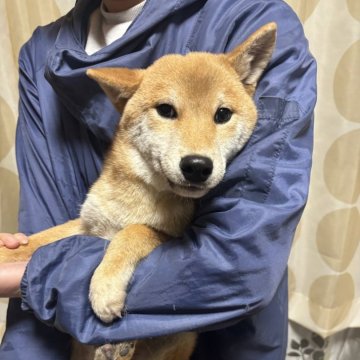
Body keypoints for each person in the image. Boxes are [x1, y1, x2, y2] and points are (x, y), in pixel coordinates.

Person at [0, 0, 317, 359]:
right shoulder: (42, 52)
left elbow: (242, 262)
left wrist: (37, 277)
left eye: (222, 115)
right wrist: (16, 263)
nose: (197, 151)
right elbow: (50, 234)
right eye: (167, 110)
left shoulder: (252, 16)